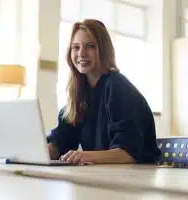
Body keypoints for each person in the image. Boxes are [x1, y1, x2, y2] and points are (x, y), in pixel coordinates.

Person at [47, 19, 161, 165]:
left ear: (103, 49)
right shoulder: (79, 93)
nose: (81, 53)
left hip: (138, 177)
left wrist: (85, 156)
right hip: (105, 175)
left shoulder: (117, 86)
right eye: (75, 47)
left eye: (90, 46)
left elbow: (127, 153)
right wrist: (38, 152)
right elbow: (62, 141)